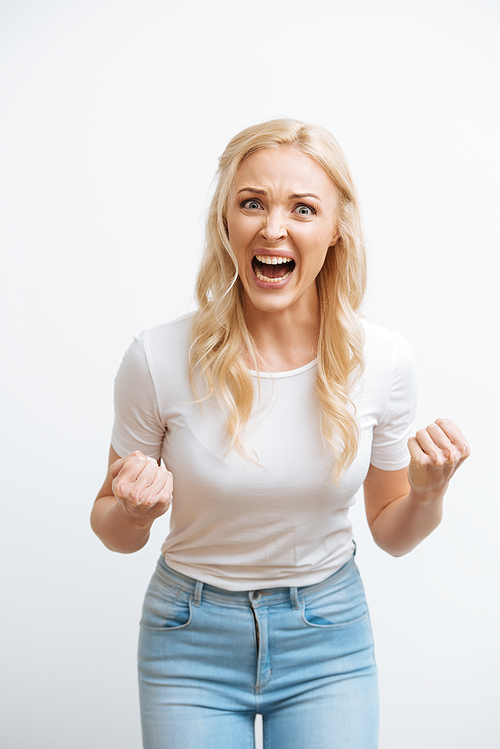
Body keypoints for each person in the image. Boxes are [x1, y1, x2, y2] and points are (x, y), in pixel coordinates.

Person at [91, 118, 470, 749]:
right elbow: (107, 524)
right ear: (226, 223)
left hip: (329, 640)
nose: (274, 228)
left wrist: (428, 494)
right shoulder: (156, 358)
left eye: (302, 208)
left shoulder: (383, 359)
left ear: (335, 230)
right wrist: (132, 512)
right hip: (190, 641)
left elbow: (392, 532)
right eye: (252, 204)